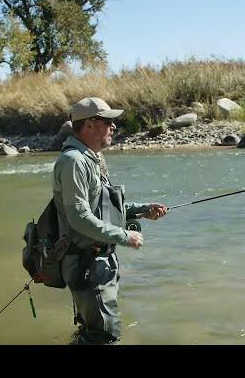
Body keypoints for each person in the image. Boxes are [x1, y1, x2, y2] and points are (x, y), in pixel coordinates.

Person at [53, 97, 167, 344]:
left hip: (97, 262)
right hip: (87, 264)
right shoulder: (74, 162)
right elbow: (80, 218)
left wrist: (142, 210)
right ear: (89, 125)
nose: (114, 126)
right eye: (108, 121)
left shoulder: (91, 159)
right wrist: (125, 236)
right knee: (104, 336)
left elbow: (103, 209)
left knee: (93, 332)